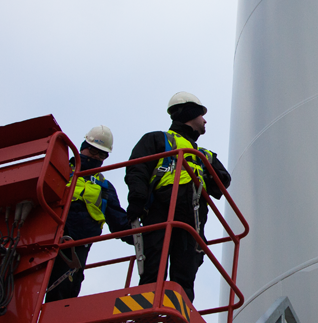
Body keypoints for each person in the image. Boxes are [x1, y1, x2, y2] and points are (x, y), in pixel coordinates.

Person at [125, 91, 231, 301]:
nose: (205, 120)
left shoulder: (205, 155)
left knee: (186, 270)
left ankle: (179, 309)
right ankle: (148, 313)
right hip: (161, 209)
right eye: (202, 114)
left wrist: (207, 176)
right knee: (154, 264)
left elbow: (223, 181)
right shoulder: (158, 139)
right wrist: (136, 202)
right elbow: (137, 169)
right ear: (190, 113)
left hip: (193, 216)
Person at [46, 125, 132, 302]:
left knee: (65, 293)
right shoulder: (60, 169)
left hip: (78, 247)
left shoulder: (104, 186)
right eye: (94, 151)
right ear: (82, 147)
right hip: (48, 236)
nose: (97, 157)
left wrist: (148, 236)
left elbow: (119, 222)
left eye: (102, 155)